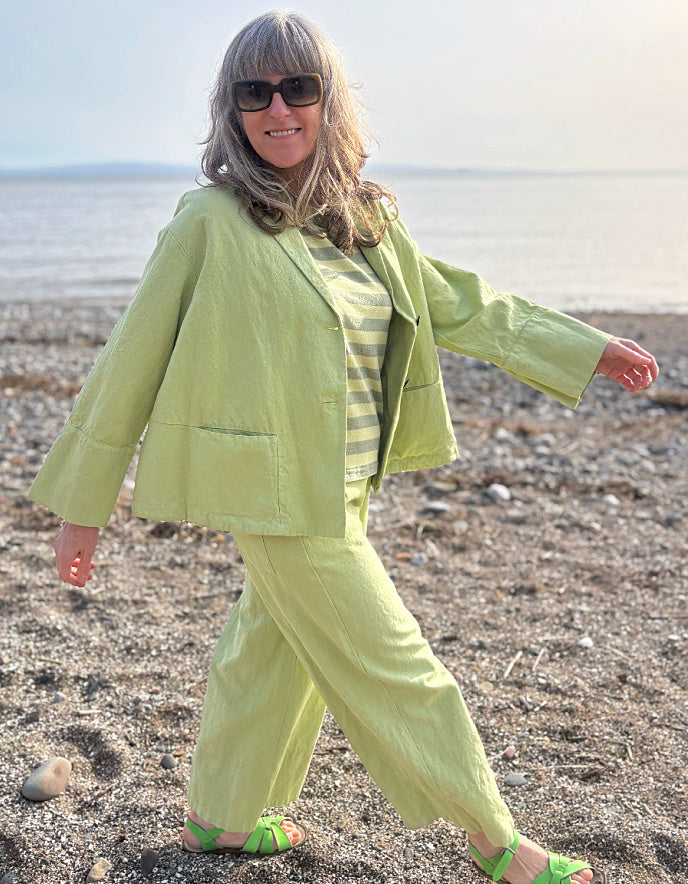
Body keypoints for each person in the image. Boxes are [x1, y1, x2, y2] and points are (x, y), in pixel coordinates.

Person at [29, 11, 658, 884]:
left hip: (350, 481)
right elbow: (129, 363)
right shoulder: (209, 221)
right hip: (275, 492)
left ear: (331, 101)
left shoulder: (365, 220)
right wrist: (82, 509)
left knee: (270, 653)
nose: (277, 109)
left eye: (299, 87)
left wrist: (584, 348)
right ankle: (497, 842)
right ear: (230, 109)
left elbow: (460, 304)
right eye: (254, 92)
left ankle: (221, 819)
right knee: (400, 666)